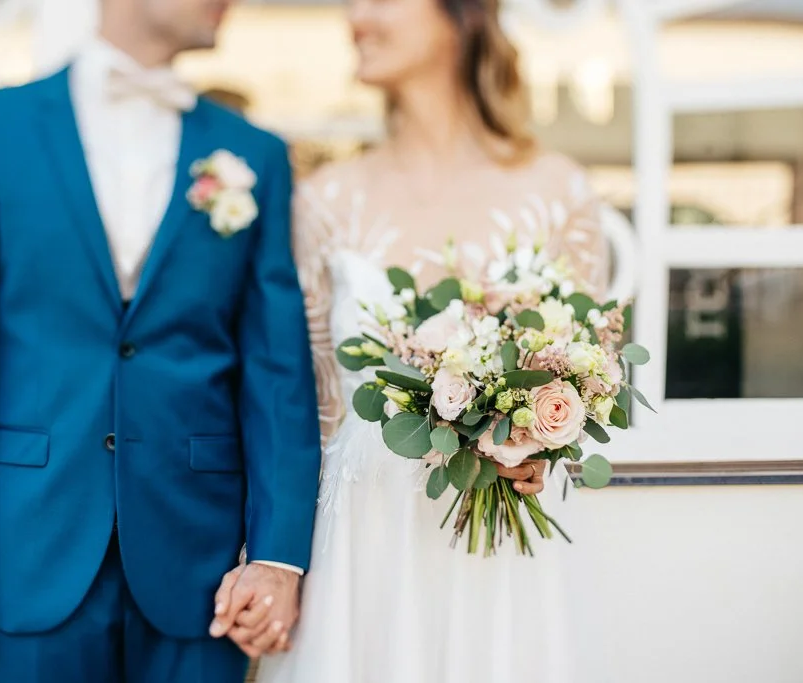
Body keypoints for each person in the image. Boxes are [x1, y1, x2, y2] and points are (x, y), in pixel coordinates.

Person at [0, 1, 322, 681]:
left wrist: (278, 557)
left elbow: (277, 371)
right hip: (30, 546)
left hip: (204, 564)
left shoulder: (255, 153)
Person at [252, 0, 609, 681]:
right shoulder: (325, 202)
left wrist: (536, 442)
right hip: (366, 555)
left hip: (505, 561)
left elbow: (586, 375)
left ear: (461, 15)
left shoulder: (558, 193)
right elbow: (311, 414)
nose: (356, 18)